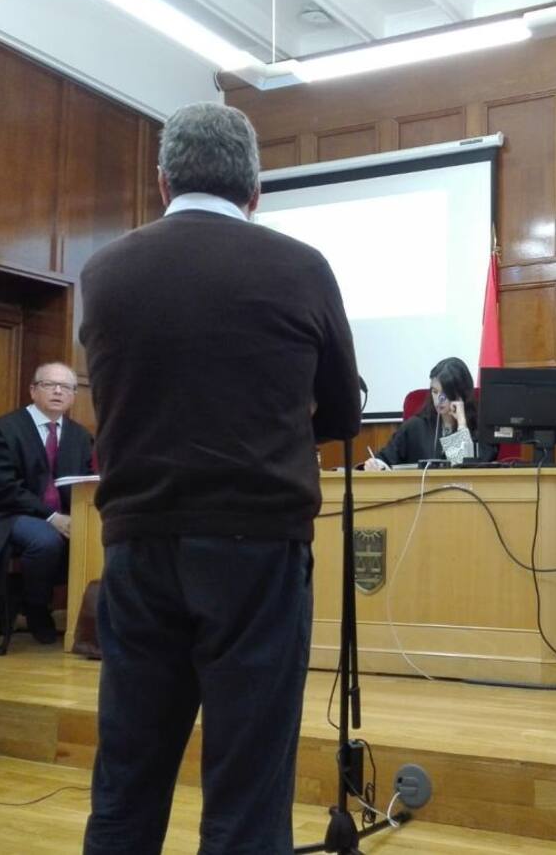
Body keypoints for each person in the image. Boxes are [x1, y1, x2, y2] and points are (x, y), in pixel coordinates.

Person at [78, 102, 361, 854]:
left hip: (137, 545)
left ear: (163, 181)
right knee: (247, 789)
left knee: (127, 778)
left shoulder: (104, 271)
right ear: (255, 191)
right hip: (257, 551)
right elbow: (342, 411)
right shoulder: (301, 266)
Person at [0, 362, 94, 643]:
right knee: (46, 540)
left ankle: (87, 620)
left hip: (62, 514)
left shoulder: (80, 436)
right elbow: (4, 489)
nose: (58, 392)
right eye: (50, 385)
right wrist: (52, 517)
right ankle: (36, 607)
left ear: (74, 395)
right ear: (33, 390)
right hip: (6, 514)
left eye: (66, 387)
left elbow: (85, 481)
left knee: (96, 536)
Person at [365, 356, 495, 469]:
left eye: (445, 393)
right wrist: (375, 464)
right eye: (435, 392)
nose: (439, 399)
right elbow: (385, 459)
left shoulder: (481, 429)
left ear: (461, 393)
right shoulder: (415, 426)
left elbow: (464, 469)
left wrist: (461, 424)